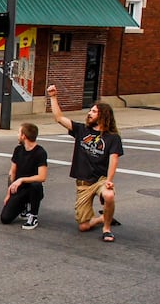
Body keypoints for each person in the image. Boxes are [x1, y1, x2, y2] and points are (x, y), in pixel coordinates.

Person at [47, 85, 122, 242]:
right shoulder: (82, 130)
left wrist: (109, 181)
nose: (89, 113)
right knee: (84, 226)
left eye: (94, 111)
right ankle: (104, 218)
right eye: (90, 110)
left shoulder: (112, 138)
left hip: (100, 179)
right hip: (83, 184)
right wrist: (53, 97)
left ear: (103, 116)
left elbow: (114, 159)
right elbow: (59, 118)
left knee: (108, 195)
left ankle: (106, 229)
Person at [0, 123, 48, 229]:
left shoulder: (40, 152)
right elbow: (12, 172)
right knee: (5, 218)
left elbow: (42, 177)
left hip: (32, 188)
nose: (17, 135)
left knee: (36, 185)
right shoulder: (18, 150)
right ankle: (24, 207)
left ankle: (33, 216)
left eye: (19, 132)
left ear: (24, 136)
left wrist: (22, 179)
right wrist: (9, 193)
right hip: (19, 188)